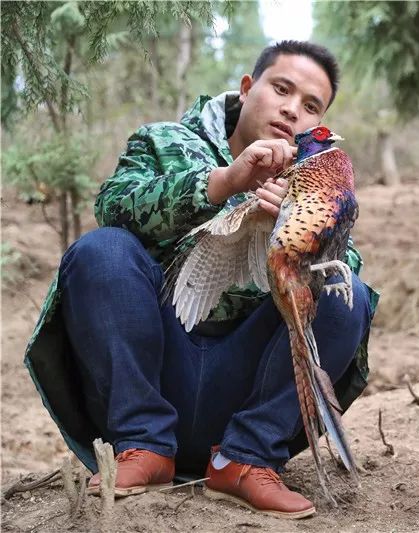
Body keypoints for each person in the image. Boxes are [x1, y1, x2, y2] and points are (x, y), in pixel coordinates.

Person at [24, 40, 378, 520]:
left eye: (311, 106)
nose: (292, 109)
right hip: (154, 367)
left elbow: (344, 269)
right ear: (248, 88)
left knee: (345, 290)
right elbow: (114, 205)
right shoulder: (164, 141)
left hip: (245, 388)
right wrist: (224, 184)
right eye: (282, 89)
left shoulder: (318, 184)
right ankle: (143, 445)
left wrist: (296, 236)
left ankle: (247, 459)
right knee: (101, 250)